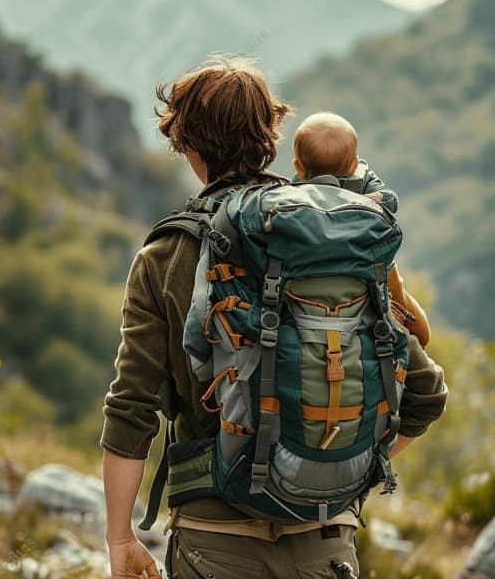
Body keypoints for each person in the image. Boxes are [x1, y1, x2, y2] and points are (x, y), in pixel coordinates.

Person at [101, 55, 448, 579]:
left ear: (187, 145)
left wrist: (121, 537)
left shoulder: (165, 256)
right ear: (271, 136)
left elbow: (131, 412)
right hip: (325, 547)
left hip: (213, 544)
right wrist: (335, 470)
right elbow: (425, 394)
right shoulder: (328, 240)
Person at [293, 111, 431, 347]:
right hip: (369, 270)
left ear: (299, 167)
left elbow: (389, 199)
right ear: (355, 163)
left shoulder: (293, 195)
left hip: (307, 303)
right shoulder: (364, 182)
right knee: (425, 360)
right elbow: (390, 202)